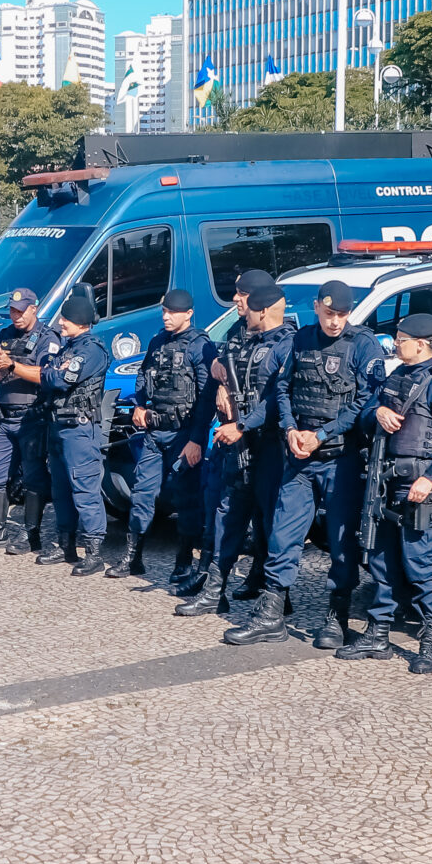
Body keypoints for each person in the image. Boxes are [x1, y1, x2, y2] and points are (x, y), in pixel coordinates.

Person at [228, 281, 376, 647]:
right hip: (299, 457)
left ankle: (336, 619)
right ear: (316, 307)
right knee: (282, 535)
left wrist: (321, 434)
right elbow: (283, 388)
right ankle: (271, 616)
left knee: (342, 543)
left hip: (339, 459)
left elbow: (364, 403)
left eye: (342, 314)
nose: (336, 322)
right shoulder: (298, 340)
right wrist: (292, 428)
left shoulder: (363, 345)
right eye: (329, 314)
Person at [340, 312, 432, 672]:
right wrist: (377, 411)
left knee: (420, 565)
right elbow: (367, 410)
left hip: (419, 487)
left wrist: (429, 478)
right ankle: (378, 633)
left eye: (401, 338)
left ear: (422, 344)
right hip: (385, 483)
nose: (396, 343)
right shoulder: (397, 375)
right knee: (380, 560)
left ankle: (430, 641)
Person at [177, 271, 293, 618]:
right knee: (228, 514)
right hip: (236, 443)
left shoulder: (287, 342)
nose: (236, 302)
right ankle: (215, 591)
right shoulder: (243, 336)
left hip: (267, 444)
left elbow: (277, 398)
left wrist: (242, 425)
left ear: (262, 305)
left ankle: (277, 595)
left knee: (271, 522)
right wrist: (224, 384)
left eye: (243, 296)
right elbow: (225, 369)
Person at [121, 289, 215, 584]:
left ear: (188, 314)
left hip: (183, 434)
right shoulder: (157, 341)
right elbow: (142, 376)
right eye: (164, 311)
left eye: (172, 312)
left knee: (185, 499)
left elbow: (206, 398)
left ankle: (184, 563)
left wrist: (197, 440)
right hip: (154, 431)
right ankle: (133, 558)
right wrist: (138, 405)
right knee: (142, 495)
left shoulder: (201, 347)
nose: (166, 317)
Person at [39, 287, 114, 573]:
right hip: (58, 425)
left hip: (79, 429)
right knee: (60, 488)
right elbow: (48, 373)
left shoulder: (91, 349)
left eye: (66, 319)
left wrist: (53, 373)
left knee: (84, 488)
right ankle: (65, 543)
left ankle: (94, 553)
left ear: (80, 320)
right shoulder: (67, 347)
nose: (60, 323)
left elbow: (62, 380)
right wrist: (52, 373)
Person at [0, 288, 55, 553]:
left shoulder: (47, 338)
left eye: (21, 310)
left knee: (33, 479)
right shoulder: (4, 335)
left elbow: (45, 375)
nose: (15, 315)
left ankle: (30, 535)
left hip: (32, 418)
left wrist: (12, 365)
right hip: (5, 417)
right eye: (12, 310)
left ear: (34, 309)